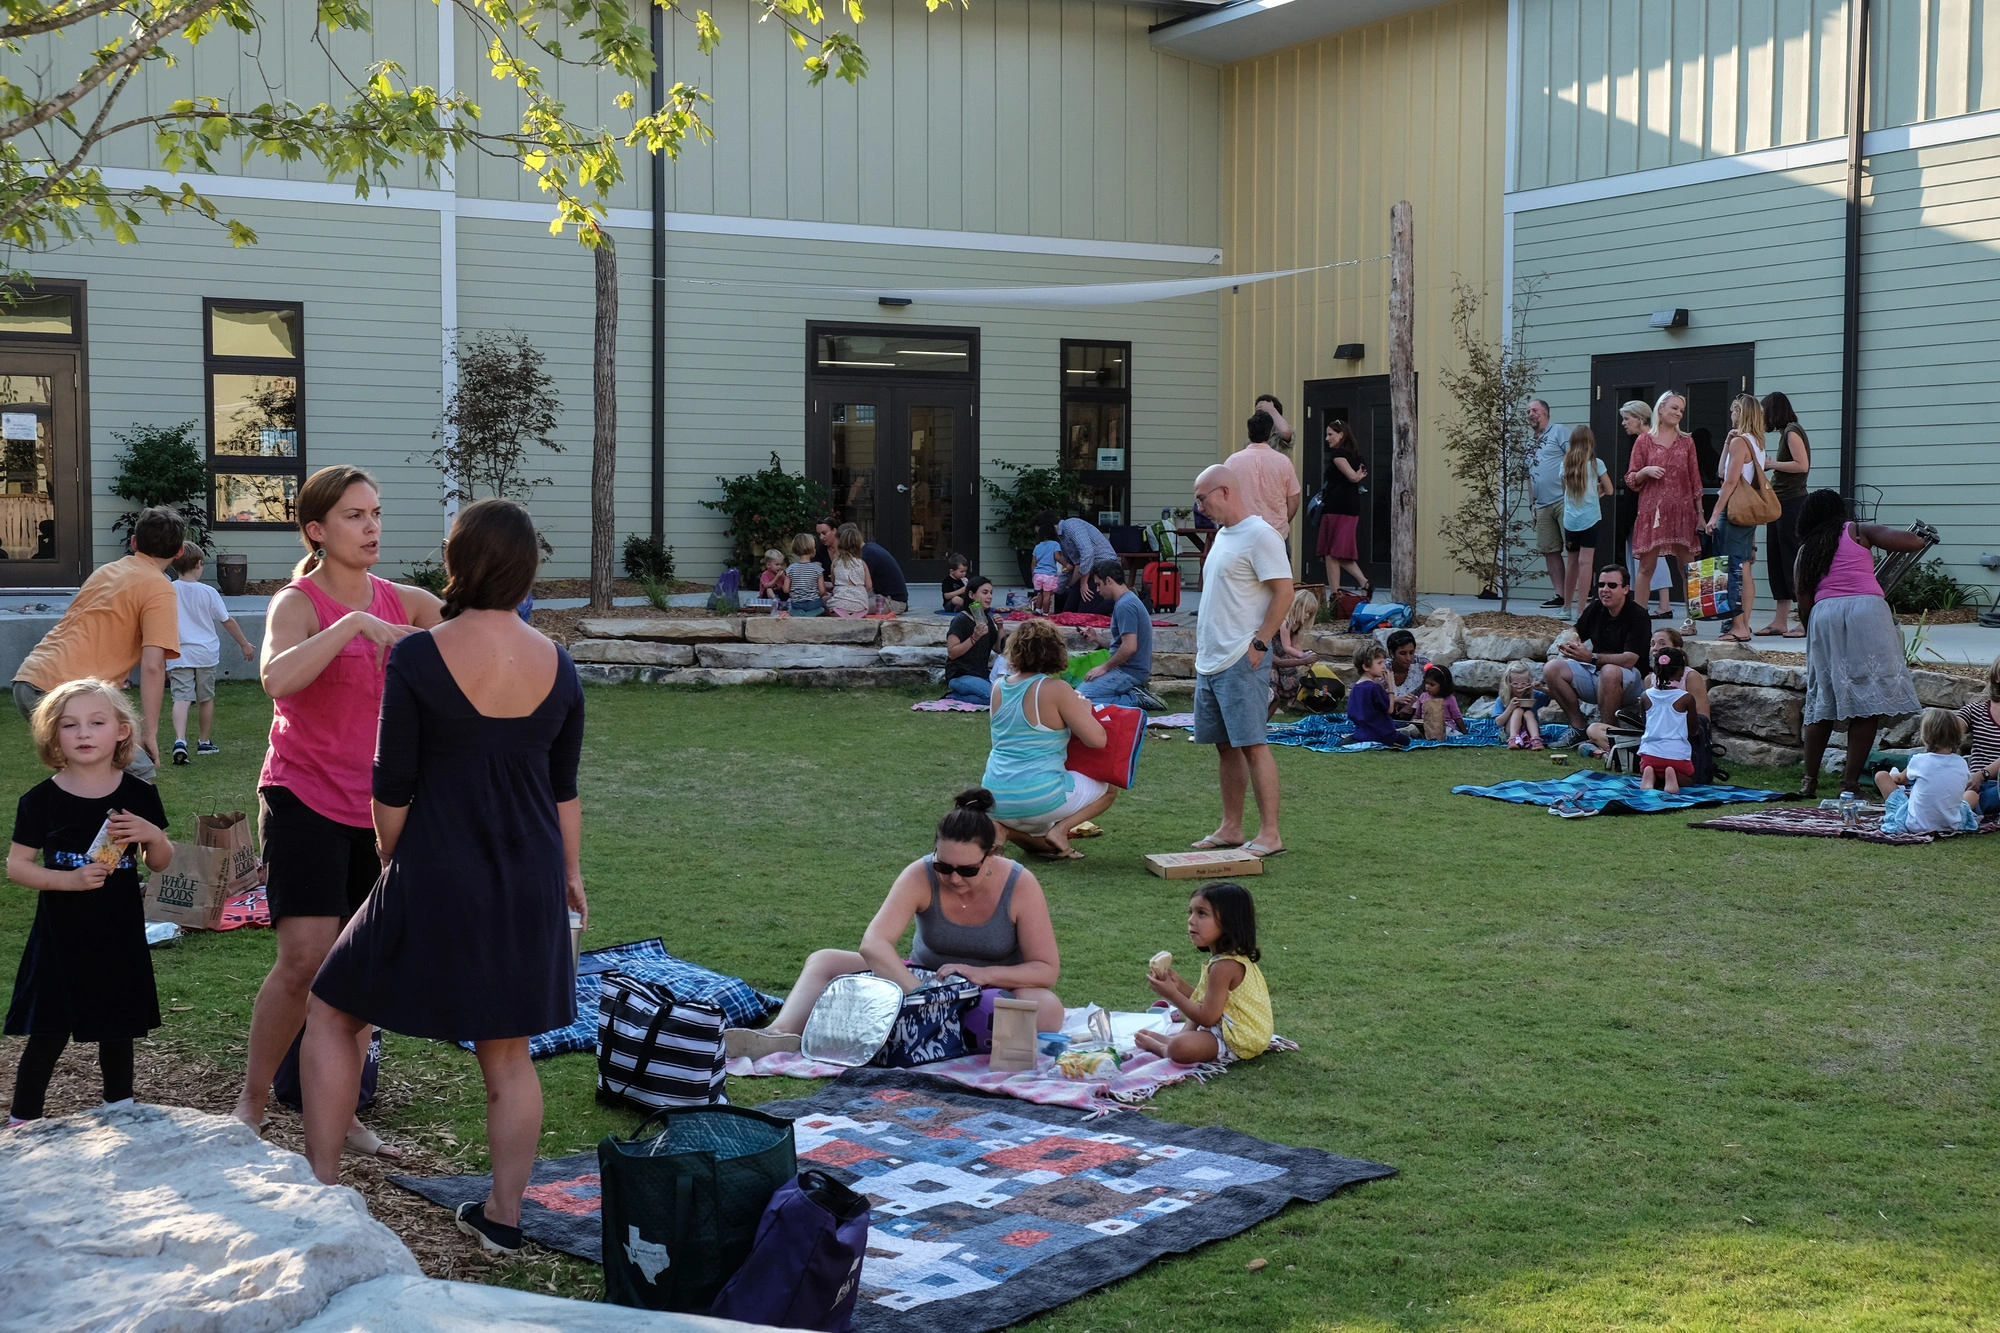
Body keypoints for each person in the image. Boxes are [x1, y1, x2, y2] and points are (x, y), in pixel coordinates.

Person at [301, 499, 586, 1258]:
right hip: (529, 872)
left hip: (434, 863)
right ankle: (504, 1218)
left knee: (331, 1010)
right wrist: (570, 873)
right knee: (508, 1053)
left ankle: (322, 1188)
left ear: (456, 560)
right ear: (527, 568)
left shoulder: (420, 655)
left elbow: (390, 785)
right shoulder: (560, 665)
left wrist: (395, 858)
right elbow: (564, 789)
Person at [231, 466, 443, 1152]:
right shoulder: (297, 602)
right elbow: (275, 678)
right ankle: (253, 1101)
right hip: (302, 796)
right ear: (317, 531)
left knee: (359, 967)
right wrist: (354, 624)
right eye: (355, 515)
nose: (372, 526)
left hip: (380, 809)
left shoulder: (409, 601)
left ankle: (341, 1110)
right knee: (304, 959)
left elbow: (476, 644)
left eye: (376, 513)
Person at [731, 789, 1066, 1056]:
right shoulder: (920, 874)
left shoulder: (1019, 884)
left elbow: (1045, 969)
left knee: (1047, 1008)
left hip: (989, 992)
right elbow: (874, 943)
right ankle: (779, 1035)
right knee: (824, 960)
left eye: (967, 870)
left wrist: (984, 975)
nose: (954, 878)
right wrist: (921, 993)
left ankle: (946, 1034)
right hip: (921, 982)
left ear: (992, 854)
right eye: (943, 866)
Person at [5, 681, 172, 1126]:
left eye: (96, 723)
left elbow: (159, 862)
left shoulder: (138, 795)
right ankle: (23, 1121)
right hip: (59, 936)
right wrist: (69, 880)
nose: (83, 733)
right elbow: (17, 867)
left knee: (118, 1024)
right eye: (69, 725)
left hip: (117, 931)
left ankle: (120, 1109)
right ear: (53, 735)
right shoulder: (40, 801)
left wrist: (153, 836)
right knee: (49, 1027)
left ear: (121, 731)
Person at [12, 506, 185, 783]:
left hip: (30, 679)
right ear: (179, 552)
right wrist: (148, 733)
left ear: (134, 542)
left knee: (89, 778)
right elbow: (153, 666)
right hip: (65, 690)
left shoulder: (107, 571)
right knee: (136, 769)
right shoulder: (159, 588)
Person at [1188, 464, 1293, 856]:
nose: (1200, 507)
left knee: (1252, 744)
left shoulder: (1261, 535)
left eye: (1202, 498)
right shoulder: (1222, 536)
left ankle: (1270, 834)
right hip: (1211, 660)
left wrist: (1260, 643)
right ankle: (1231, 827)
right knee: (1225, 746)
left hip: (1241, 658)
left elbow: (1285, 592)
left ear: (1225, 491)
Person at [1795, 489, 1927, 799]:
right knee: (1868, 702)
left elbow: (1802, 597)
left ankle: (1808, 781)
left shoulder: (1806, 550)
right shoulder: (1857, 530)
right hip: (1866, 613)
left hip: (1824, 615)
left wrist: (1812, 628)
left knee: (1822, 701)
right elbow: (1914, 542)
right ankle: (1850, 784)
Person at [981, 619, 1115, 861]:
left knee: (1048, 847)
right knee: (1109, 789)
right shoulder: (1056, 689)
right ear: (1055, 650)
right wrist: (1084, 710)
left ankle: (1005, 830)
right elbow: (1097, 740)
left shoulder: (997, 687)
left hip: (995, 796)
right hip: (1039, 794)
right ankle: (1061, 830)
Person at [1136, 882, 1272, 1066]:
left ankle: (1165, 1048)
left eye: (1202, 913)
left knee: (1180, 1047)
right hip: (1230, 1027)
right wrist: (1179, 985)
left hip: (1239, 1039)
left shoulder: (1224, 966)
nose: (1191, 920)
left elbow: (1207, 1018)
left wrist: (1172, 994)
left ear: (1229, 922)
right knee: (1193, 1015)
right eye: (1191, 912)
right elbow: (1208, 1002)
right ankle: (1176, 1039)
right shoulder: (1229, 959)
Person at [167, 547, 256, 763]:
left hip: (178, 654)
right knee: (205, 698)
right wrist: (244, 644)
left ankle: (180, 740)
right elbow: (227, 620)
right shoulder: (208, 592)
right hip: (205, 654)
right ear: (198, 564)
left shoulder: (168, 591)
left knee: (181, 698)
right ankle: (204, 742)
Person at [1626, 391, 1703, 633]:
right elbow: (1631, 478)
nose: (1679, 413)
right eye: (1674, 408)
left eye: (1681, 410)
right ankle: (1639, 623)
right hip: (1653, 511)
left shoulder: (1687, 441)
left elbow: (1695, 479)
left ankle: (1691, 621)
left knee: (1688, 568)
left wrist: (1700, 514)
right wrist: (1645, 471)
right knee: (1646, 567)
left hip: (1683, 512)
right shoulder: (1644, 441)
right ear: (1661, 409)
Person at [1544, 564, 1652, 731]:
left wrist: (1591, 657)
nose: (1605, 590)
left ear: (1625, 589)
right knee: (1552, 668)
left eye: (1612, 585)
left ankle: (1607, 733)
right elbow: (1577, 629)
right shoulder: (1596, 607)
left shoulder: (1638, 616)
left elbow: (1630, 660)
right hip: (1596, 673)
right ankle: (1578, 727)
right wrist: (1570, 640)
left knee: (1610, 671)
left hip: (1630, 683)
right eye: (1601, 585)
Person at [1705, 393, 1770, 644]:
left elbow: (1729, 482)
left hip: (1732, 510)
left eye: (1734, 411)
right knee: (1744, 567)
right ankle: (1743, 624)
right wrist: (1726, 443)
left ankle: (1738, 626)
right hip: (1747, 512)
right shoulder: (1757, 443)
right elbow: (1721, 472)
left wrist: (1714, 514)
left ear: (1740, 413)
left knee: (1731, 569)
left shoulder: (1741, 443)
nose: (1731, 415)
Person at [1757, 391, 1812, 637]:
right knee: (1778, 563)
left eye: (1764, 412)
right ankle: (1780, 621)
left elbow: (1802, 465)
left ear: (1773, 411)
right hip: (1778, 504)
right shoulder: (1784, 433)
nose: (1762, 418)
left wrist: (1771, 464)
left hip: (1792, 504)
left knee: (1793, 562)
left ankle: (1806, 620)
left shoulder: (1792, 431)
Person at [1874, 709, 1979, 836]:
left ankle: (1898, 816)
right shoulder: (1961, 763)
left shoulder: (1919, 760)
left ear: (1926, 736)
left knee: (1881, 776)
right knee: (1972, 795)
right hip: (1951, 824)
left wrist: (1892, 776)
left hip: (1916, 824)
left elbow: (1901, 780)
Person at [1078, 561, 1159, 711]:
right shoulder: (1127, 601)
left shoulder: (1125, 606)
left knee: (1080, 699)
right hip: (1127, 669)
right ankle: (1132, 694)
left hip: (1129, 671)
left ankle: (1136, 699)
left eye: (1098, 585)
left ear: (1109, 580)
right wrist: (1097, 638)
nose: (1097, 590)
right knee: (1080, 696)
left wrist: (1104, 668)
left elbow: (1129, 647)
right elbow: (1122, 645)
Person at [1559, 426, 1611, 619]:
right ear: (1590, 442)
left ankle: (1566, 608)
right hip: (1590, 518)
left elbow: (1564, 490)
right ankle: (1581, 610)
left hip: (1570, 520)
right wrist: (1598, 492)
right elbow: (1610, 489)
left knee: (1572, 563)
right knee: (1585, 563)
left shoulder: (1565, 464)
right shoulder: (1597, 464)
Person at [1527, 398, 1574, 609]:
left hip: (1564, 501)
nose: (1531, 414)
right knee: (1549, 550)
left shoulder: (1559, 432)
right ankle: (1560, 595)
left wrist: (1575, 492)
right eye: (1528, 411)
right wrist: (1532, 504)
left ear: (1546, 412)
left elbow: (1575, 458)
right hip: (1542, 505)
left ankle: (1580, 594)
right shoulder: (1530, 444)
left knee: (1574, 549)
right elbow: (1530, 476)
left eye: (1535, 410)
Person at [1315, 419, 1370, 597]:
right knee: (1333, 553)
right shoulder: (1358, 456)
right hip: (1347, 508)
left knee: (1334, 552)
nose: (1327, 438)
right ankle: (1339, 592)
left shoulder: (1338, 455)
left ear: (1341, 434)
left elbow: (1352, 477)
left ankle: (1344, 591)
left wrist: (1356, 477)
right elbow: (1359, 475)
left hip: (1338, 509)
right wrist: (1358, 477)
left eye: (1330, 434)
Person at [1232, 410, 1302, 541]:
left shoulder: (1232, 462)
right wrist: (1282, 521)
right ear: (1270, 434)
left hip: (1241, 532)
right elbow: (1294, 499)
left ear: (1249, 433)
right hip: (1275, 531)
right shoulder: (1283, 462)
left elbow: (1224, 497)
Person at [1636, 646, 1697, 793]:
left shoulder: (1645, 696)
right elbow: (1693, 729)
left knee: (1652, 768)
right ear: (1681, 671)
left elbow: (1645, 724)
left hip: (1649, 754)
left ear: (1655, 670)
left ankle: (1650, 774)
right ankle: (1673, 776)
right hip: (1676, 755)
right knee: (1690, 779)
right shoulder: (1686, 698)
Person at [943, 575, 1003, 703]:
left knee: (1004, 695)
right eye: (985, 593)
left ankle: (966, 695)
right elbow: (952, 653)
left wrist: (1000, 628)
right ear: (971, 595)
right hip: (960, 675)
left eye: (991, 593)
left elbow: (998, 649)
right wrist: (974, 638)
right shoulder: (960, 620)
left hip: (981, 675)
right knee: (994, 698)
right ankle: (953, 697)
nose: (989, 596)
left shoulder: (986, 619)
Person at [1265, 589, 1320, 721]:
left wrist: (1303, 654)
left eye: (1310, 613)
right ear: (1297, 607)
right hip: (1271, 650)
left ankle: (1292, 700)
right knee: (1272, 675)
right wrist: (1302, 657)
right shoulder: (1286, 622)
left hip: (1282, 652)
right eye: (1306, 611)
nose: (1307, 616)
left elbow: (1295, 643)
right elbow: (1287, 646)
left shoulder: (1298, 624)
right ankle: (1271, 701)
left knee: (1291, 672)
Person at [1957, 655, 2000, 819]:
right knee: (1917, 759)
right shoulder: (1977, 710)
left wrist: (1982, 775)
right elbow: (1947, 730)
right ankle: (1967, 805)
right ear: (1997, 677)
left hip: (1994, 787)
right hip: (1972, 783)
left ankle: (1966, 806)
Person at [1050, 513, 1118, 614]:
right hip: (1089, 572)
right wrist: (1048, 593)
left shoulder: (1071, 525)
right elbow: (1068, 568)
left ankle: (1115, 602)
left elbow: (1087, 553)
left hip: (1105, 567)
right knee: (1068, 610)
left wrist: (1083, 583)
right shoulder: (1061, 539)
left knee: (1084, 612)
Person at [1346, 642, 1406, 748]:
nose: (1383, 666)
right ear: (1366, 667)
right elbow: (1390, 710)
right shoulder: (1374, 687)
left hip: (1361, 733)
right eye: (1379, 663)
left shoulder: (1356, 687)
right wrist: (1390, 686)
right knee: (1405, 740)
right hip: (1381, 734)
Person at [1382, 627, 1431, 719]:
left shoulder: (1422, 663)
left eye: (1411, 652)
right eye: (1403, 653)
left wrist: (1414, 704)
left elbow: (1436, 688)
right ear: (1392, 653)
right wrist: (1395, 700)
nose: (1408, 658)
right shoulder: (1383, 669)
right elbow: (1373, 699)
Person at [826, 522, 873, 617]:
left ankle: (841, 613)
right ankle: (857, 613)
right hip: (860, 604)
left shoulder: (835, 562)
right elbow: (869, 585)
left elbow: (834, 583)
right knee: (861, 607)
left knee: (826, 605)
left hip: (840, 603)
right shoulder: (862, 563)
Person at [1410, 664, 1466, 740]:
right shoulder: (1423, 696)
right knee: (1414, 728)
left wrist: (1464, 732)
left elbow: (1457, 718)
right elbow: (1417, 715)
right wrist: (1411, 723)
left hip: (1444, 726)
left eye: (1432, 684)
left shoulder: (1450, 699)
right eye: (1426, 683)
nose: (1427, 686)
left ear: (1443, 685)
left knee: (1447, 731)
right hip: (1426, 725)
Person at [1499, 662, 1543, 750]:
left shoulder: (1534, 695)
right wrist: (1510, 708)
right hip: (1510, 730)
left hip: (1530, 730)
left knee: (1528, 713)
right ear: (1508, 683)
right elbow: (1499, 722)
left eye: (1523, 684)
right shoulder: (1503, 698)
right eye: (1515, 683)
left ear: (1529, 682)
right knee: (1518, 711)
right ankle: (1513, 739)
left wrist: (1542, 688)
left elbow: (1553, 696)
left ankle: (1536, 739)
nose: (1519, 687)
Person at [859, 538, 909, 614]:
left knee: (851, 606)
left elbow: (865, 585)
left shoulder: (867, 556)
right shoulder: (870, 547)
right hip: (896, 599)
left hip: (893, 601)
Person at [783, 532, 827, 617]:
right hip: (813, 603)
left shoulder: (791, 568)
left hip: (797, 603)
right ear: (812, 549)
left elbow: (785, 589)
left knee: (789, 605)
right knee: (823, 606)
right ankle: (812, 612)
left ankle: (797, 612)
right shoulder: (817, 569)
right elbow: (822, 591)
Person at [1030, 518, 1062, 614]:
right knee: (1047, 595)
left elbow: (1033, 562)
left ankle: (1038, 610)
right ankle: (1045, 613)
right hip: (1048, 575)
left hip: (1038, 575)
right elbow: (1057, 557)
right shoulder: (1055, 544)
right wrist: (1066, 564)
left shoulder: (1037, 546)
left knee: (1040, 593)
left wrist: (1033, 574)